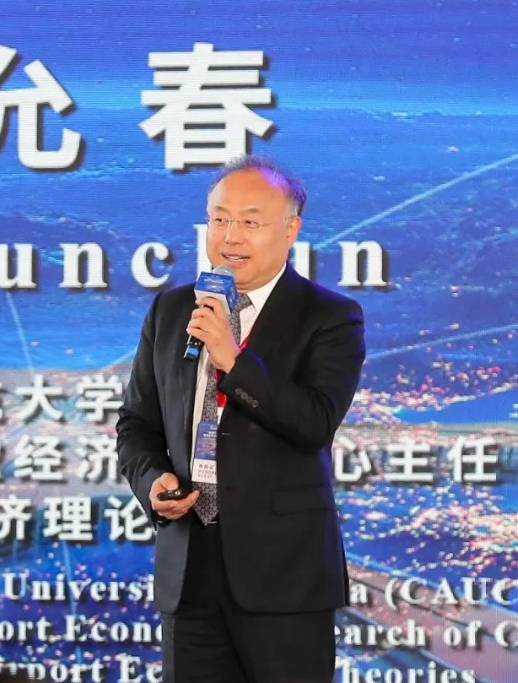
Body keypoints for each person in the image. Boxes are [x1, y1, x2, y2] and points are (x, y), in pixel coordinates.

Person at [117, 155, 366, 683]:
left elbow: (314, 422)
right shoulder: (172, 310)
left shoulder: (329, 316)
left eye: (250, 222)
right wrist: (152, 481)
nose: (231, 236)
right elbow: (137, 424)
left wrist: (233, 360)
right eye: (220, 219)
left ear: (290, 230)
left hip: (283, 577)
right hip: (189, 569)